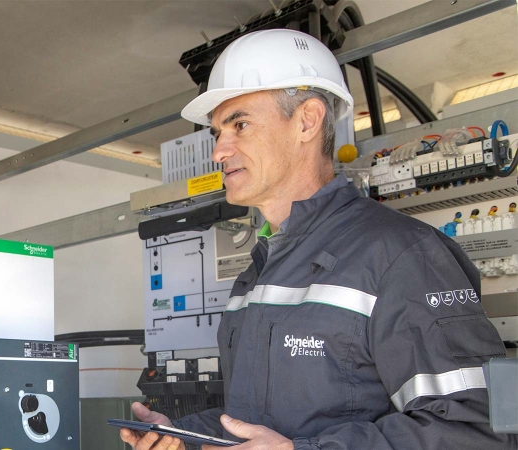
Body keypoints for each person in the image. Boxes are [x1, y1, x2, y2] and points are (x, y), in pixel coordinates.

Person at [120, 29, 515, 450]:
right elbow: (253, 426)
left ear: (307, 121)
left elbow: (483, 428)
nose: (219, 150)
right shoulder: (254, 276)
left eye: (240, 124)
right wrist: (184, 437)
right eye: (217, 132)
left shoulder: (401, 255)